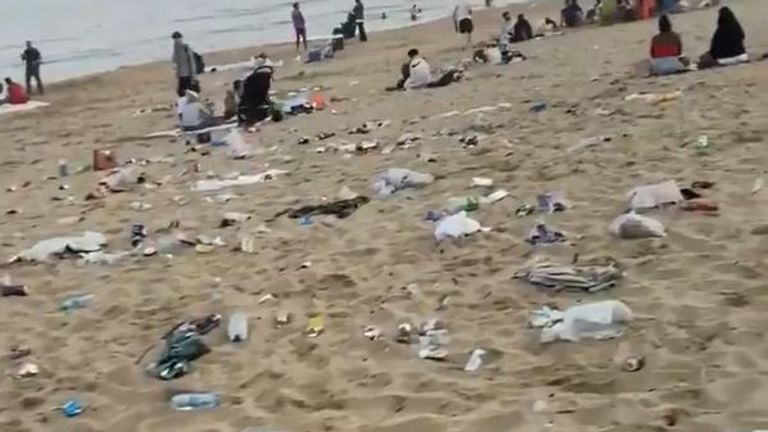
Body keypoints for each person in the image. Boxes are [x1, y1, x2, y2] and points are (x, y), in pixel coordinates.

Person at [171, 32, 198, 97]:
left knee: (188, 92)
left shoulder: (185, 47)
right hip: (180, 74)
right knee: (181, 93)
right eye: (175, 39)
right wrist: (176, 72)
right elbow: (175, 61)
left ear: (181, 38)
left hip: (187, 74)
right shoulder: (175, 48)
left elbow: (191, 61)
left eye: (178, 38)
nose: (176, 40)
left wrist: (193, 74)